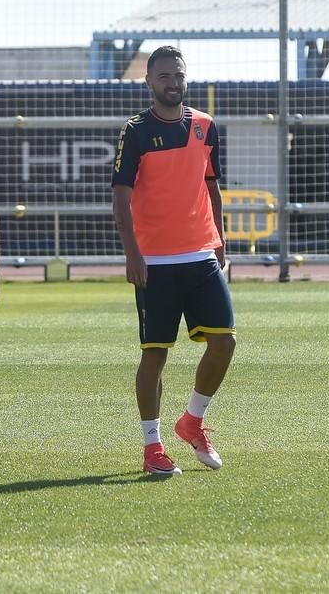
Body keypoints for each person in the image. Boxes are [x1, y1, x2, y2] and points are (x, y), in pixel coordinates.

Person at [111, 45, 236, 476]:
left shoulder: (205, 126)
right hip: (155, 262)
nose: (172, 82)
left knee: (225, 342)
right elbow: (121, 198)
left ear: (186, 77)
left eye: (177, 74)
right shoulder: (136, 131)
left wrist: (222, 241)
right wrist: (133, 254)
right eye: (163, 76)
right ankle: (152, 447)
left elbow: (213, 187)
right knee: (155, 354)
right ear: (149, 82)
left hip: (201, 253)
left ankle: (193, 421)